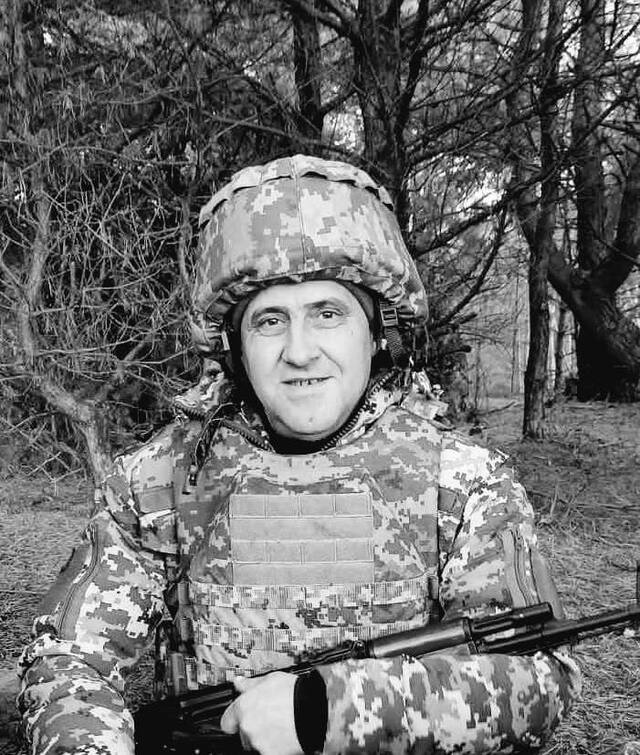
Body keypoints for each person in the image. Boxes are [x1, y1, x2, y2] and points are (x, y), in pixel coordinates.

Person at [18, 154, 580, 754]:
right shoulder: (159, 482)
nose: (300, 351)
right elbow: (67, 661)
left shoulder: (460, 483)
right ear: (235, 347)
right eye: (269, 321)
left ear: (377, 333)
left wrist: (335, 712)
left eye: (328, 314)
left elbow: (541, 677)